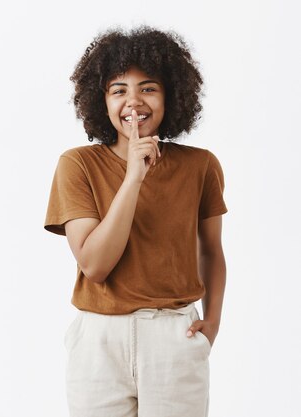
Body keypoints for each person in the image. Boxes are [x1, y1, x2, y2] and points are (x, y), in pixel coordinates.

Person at [43, 25, 228, 417]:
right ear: (101, 100)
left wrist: (211, 323)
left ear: (170, 95)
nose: (133, 101)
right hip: (99, 341)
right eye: (118, 90)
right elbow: (94, 265)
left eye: (148, 88)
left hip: (174, 336)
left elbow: (211, 251)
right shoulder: (77, 165)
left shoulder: (201, 166)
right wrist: (133, 176)